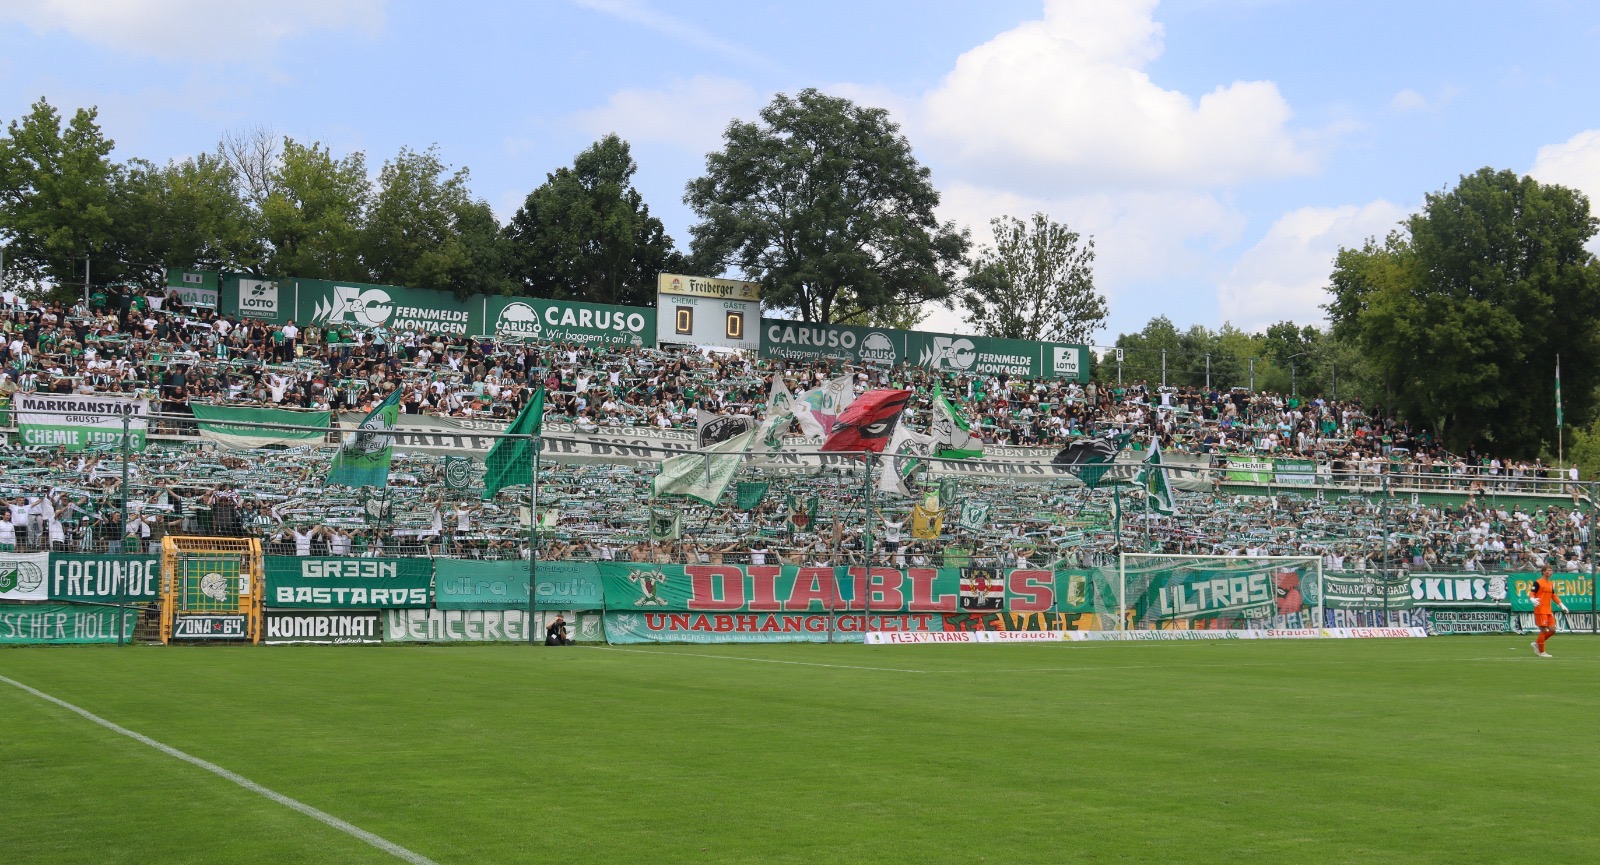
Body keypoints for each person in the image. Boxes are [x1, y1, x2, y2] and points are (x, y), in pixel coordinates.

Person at [1529, 564, 1569, 658]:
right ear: (1543, 572)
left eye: (1551, 570)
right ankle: (1542, 652)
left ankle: (1537, 643)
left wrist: (1561, 605)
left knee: (1552, 630)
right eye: (1548, 570)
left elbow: (1553, 595)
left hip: (1548, 610)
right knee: (1543, 631)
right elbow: (1532, 593)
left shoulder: (1550, 583)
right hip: (1540, 610)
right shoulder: (1538, 582)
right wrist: (1532, 599)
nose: (1550, 572)